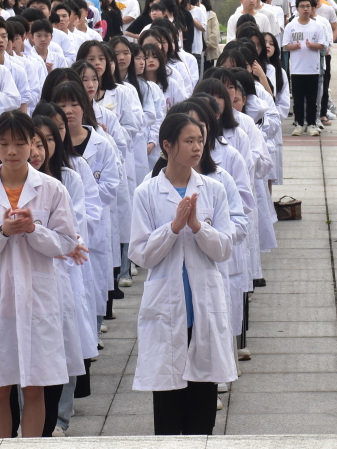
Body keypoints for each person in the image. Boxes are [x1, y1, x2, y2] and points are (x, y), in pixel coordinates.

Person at [0, 111, 79, 439]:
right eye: (4, 143)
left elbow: (66, 242)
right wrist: (3, 231)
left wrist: (33, 229)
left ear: (32, 145)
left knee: (35, 385)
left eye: (20, 143)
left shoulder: (52, 189)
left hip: (38, 297)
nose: (11, 151)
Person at [129, 112, 235, 435]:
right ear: (167, 146)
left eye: (200, 140)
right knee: (168, 414)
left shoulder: (213, 190)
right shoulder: (146, 194)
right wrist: (173, 229)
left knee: (202, 414)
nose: (197, 147)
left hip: (203, 307)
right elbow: (141, 253)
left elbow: (225, 248)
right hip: (167, 310)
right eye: (189, 141)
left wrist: (198, 228)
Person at [282, 0, 328, 137]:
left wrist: (311, 45)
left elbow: (322, 45)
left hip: (312, 69)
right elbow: (285, 46)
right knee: (298, 99)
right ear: (297, 8)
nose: (305, 9)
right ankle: (299, 124)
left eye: (308, 6)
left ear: (312, 8)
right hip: (296, 70)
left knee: (312, 98)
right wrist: (294, 46)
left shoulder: (317, 26)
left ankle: (312, 124)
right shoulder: (291, 26)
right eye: (302, 6)